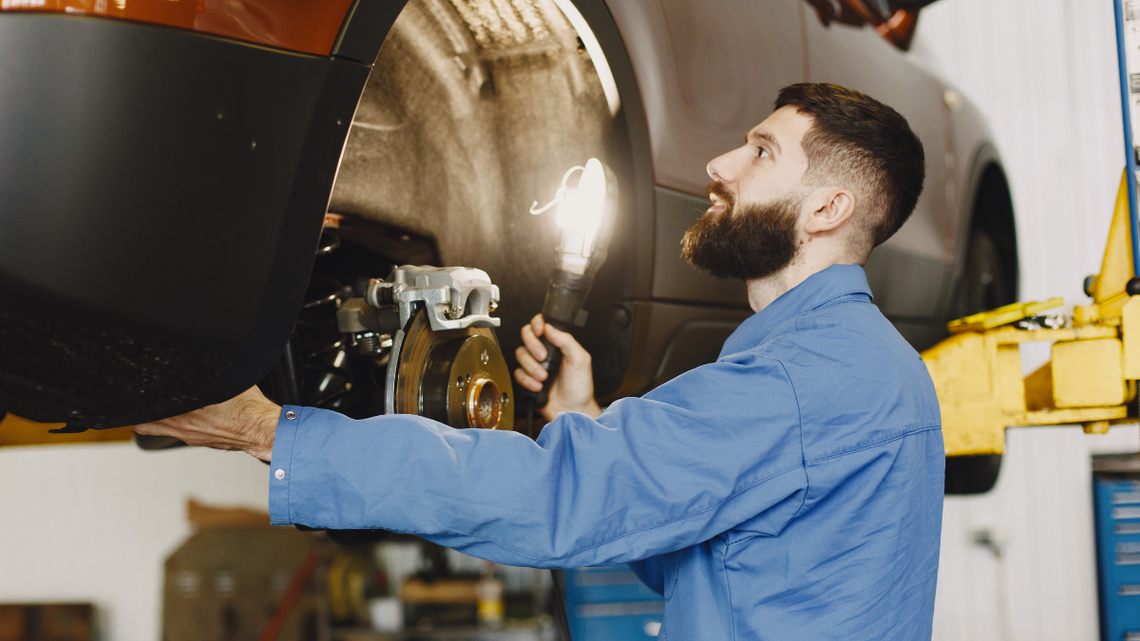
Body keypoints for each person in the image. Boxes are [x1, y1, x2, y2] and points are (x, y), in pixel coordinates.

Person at [136, 83, 943, 640]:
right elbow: (695, 552)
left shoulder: (803, 381)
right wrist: (584, 419)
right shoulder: (867, 368)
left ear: (829, 208)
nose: (721, 166)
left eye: (762, 152)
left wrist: (271, 431)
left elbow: (560, 498)